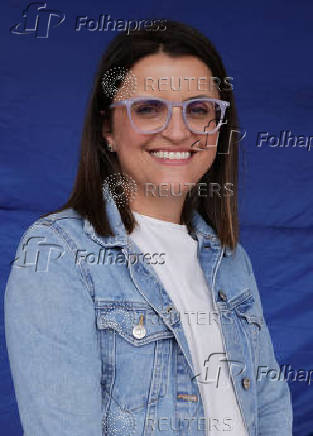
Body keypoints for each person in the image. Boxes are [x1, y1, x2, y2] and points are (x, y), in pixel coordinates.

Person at [4, 20, 292, 436]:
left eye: (198, 110)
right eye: (148, 108)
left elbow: (271, 411)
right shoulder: (58, 255)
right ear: (107, 129)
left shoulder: (231, 259)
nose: (177, 132)